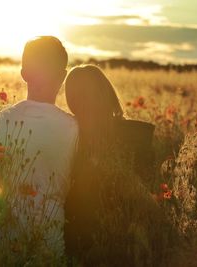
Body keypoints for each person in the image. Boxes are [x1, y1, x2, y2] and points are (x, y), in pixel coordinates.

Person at [0, 36, 79, 262]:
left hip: (2, 247)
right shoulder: (74, 129)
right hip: (50, 247)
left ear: (24, 74)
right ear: (63, 76)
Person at [63, 65, 158, 266]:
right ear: (106, 93)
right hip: (129, 244)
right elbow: (148, 192)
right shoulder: (138, 135)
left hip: (77, 244)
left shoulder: (69, 135)